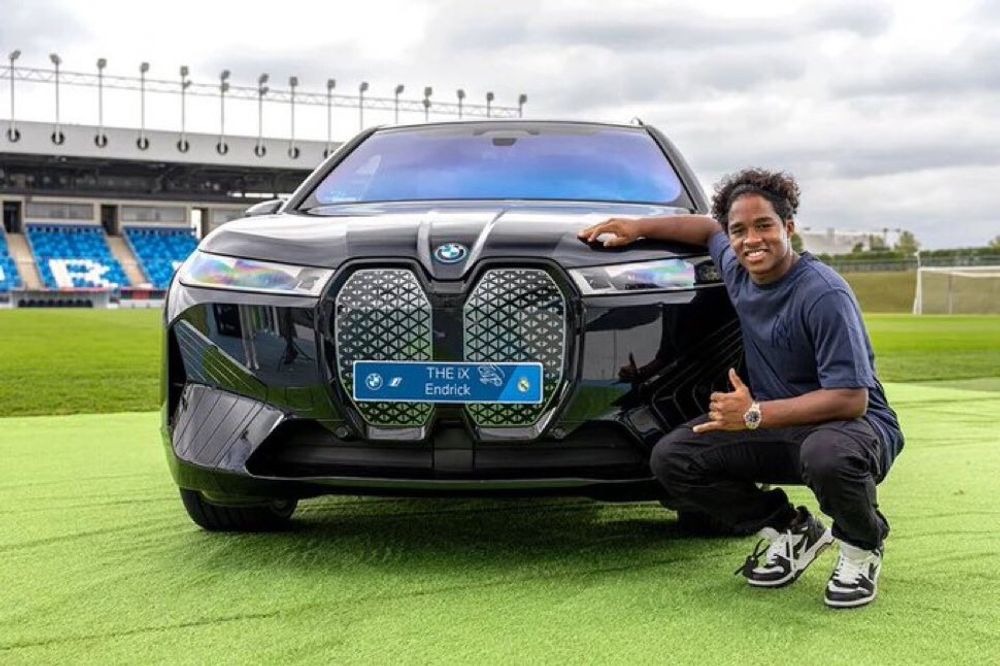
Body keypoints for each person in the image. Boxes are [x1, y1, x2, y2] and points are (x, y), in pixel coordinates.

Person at [578, 168, 903, 609]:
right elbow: (704, 227)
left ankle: (862, 547)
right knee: (673, 458)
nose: (751, 239)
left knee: (826, 456)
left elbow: (851, 398)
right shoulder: (737, 265)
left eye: (764, 226)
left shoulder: (824, 294)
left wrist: (754, 415)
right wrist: (637, 227)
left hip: (852, 427)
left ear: (789, 227)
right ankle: (791, 530)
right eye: (740, 230)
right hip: (777, 424)